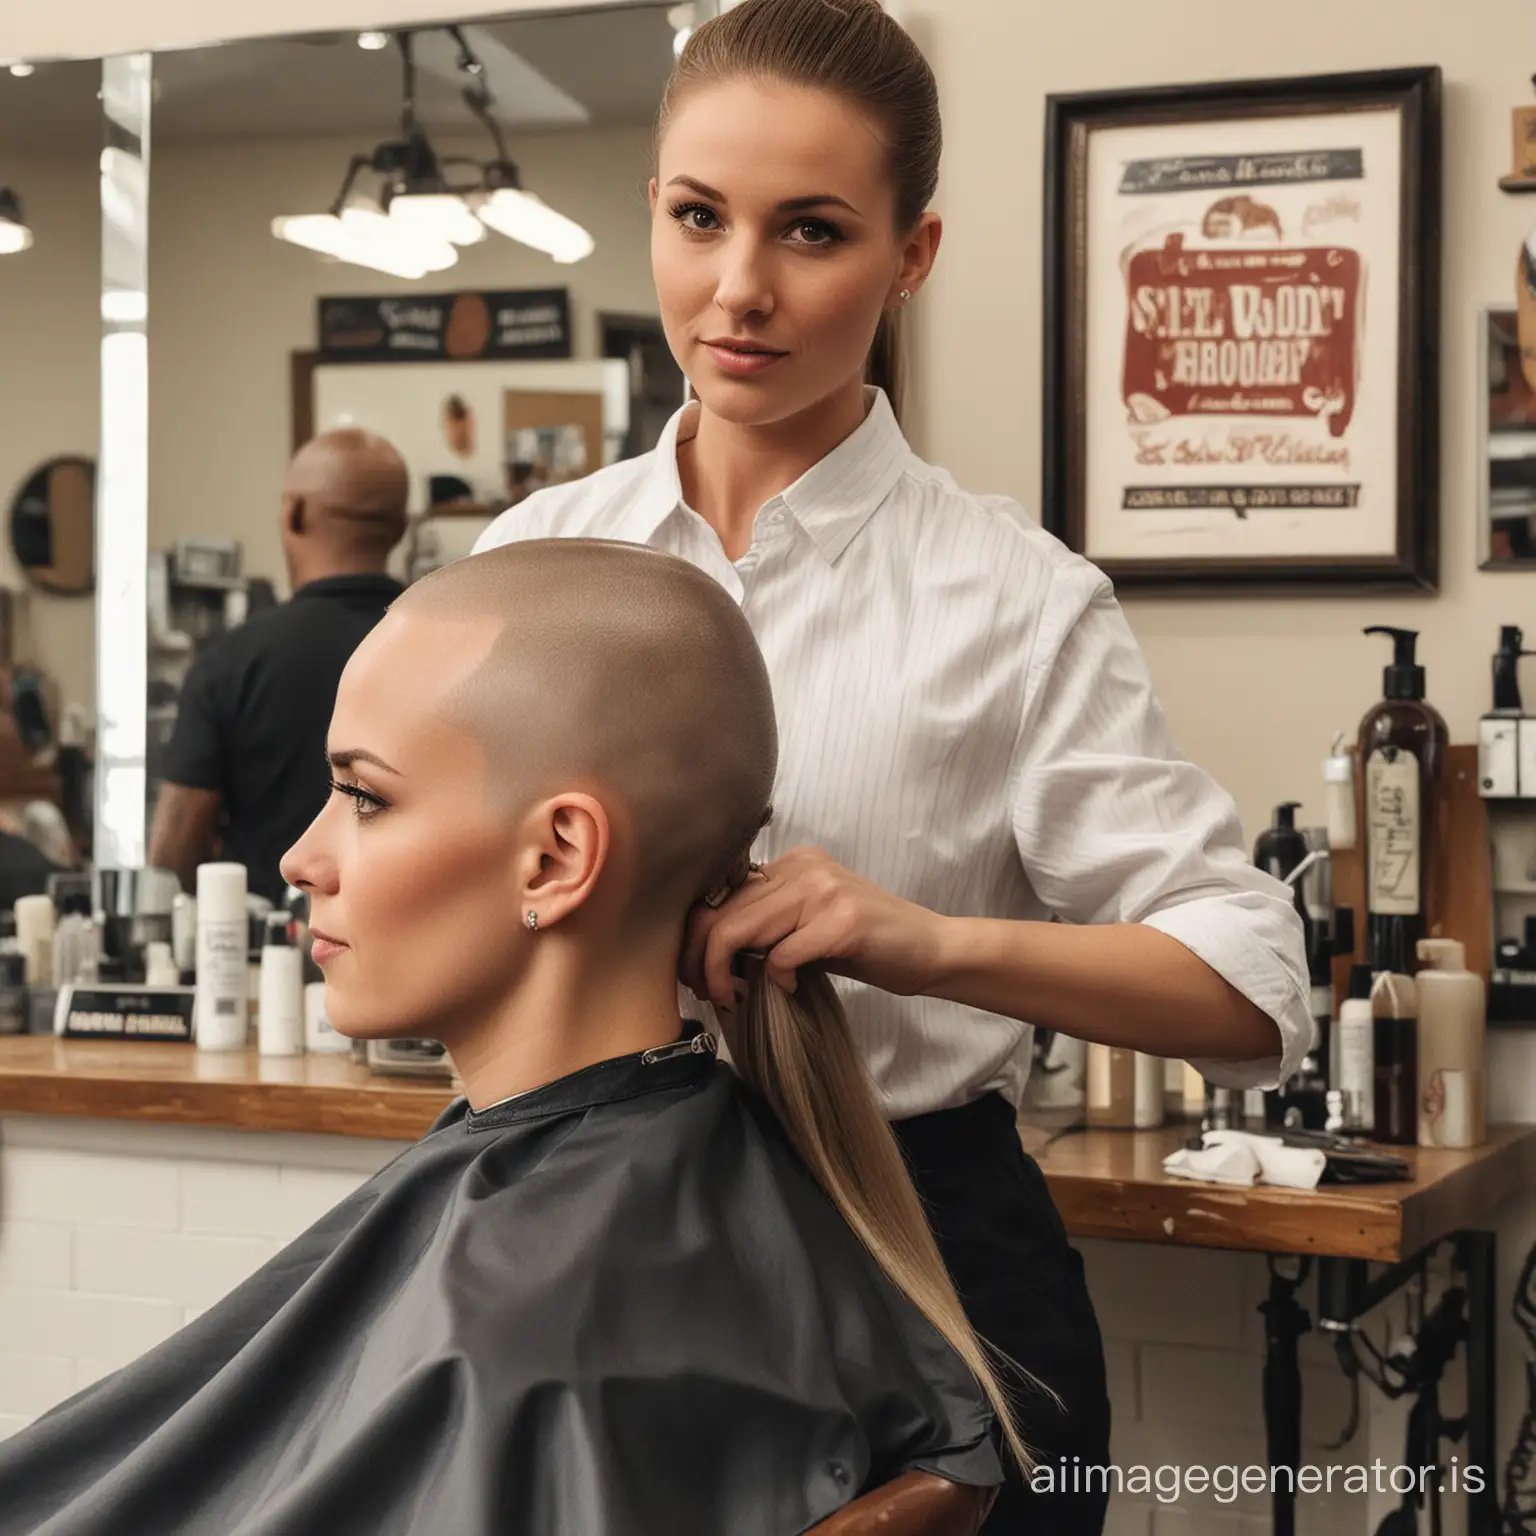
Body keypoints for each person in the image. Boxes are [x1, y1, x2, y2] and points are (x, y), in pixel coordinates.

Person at [471, 3, 1313, 1531]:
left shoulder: (1015, 598)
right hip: (576, 1238)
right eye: (696, 218)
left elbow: (1253, 986)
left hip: (922, 1250)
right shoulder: (529, 561)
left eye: (811, 231)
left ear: (909, 256)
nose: (740, 289)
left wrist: (921, 943)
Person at [0, 540, 1010, 1535]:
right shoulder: (637, 1201)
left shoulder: (527, 1338)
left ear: (554, 860)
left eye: (364, 797)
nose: (303, 857)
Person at [148, 428, 409, 903]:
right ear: (399, 527)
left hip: (266, 956)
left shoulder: (230, 664)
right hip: (408, 940)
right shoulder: (444, 647)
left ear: (294, 512)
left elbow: (173, 859)